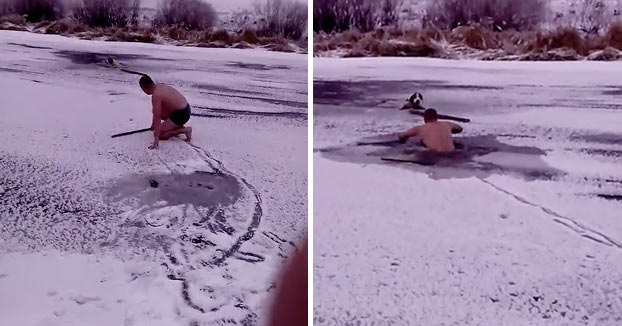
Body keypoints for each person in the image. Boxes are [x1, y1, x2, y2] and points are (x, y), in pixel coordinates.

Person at [139, 75, 192, 149]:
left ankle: (185, 130)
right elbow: (157, 113)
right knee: (161, 114)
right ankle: (177, 126)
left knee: (161, 135)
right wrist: (153, 124)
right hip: (185, 109)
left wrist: (156, 139)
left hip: (181, 114)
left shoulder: (156, 95)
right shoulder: (159, 86)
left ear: (144, 87)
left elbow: (157, 117)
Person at [398, 108, 463, 152]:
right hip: (453, 153)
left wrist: (403, 141)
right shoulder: (447, 124)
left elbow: (402, 136)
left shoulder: (421, 128)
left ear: (424, 118)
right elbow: (460, 128)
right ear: (436, 117)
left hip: (434, 155)